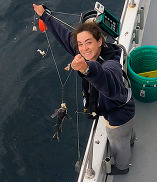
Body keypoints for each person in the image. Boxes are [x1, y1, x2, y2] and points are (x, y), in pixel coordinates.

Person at [33, 4, 136, 175]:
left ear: (100, 41)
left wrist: (87, 69)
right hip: (123, 111)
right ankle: (131, 140)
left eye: (88, 42)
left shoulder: (111, 64)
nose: (83, 48)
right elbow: (65, 37)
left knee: (119, 142)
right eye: (80, 44)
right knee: (126, 137)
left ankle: (123, 167)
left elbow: (108, 83)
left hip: (119, 117)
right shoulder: (86, 52)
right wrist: (45, 16)